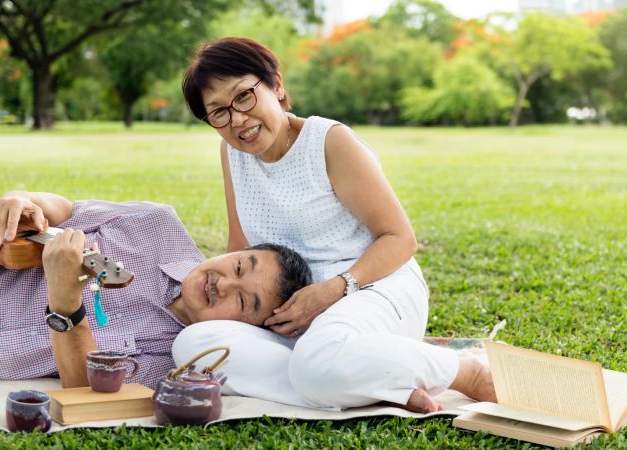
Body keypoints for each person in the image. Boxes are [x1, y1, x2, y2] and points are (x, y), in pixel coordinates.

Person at [174, 37, 495, 412]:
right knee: (196, 345)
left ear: (276, 85)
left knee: (317, 359)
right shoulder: (232, 152)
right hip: (297, 316)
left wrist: (332, 290)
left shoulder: (329, 141)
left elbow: (400, 239)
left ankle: (462, 371)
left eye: (243, 96)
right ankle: (377, 382)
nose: (238, 119)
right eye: (219, 113)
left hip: (372, 288)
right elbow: (240, 244)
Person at [0, 191, 311, 388]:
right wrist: (26, 202)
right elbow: (68, 209)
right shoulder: (157, 224)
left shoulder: (170, 363)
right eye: (239, 265)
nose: (223, 282)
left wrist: (65, 298)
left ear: (249, 330)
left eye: (243, 300)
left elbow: (83, 380)